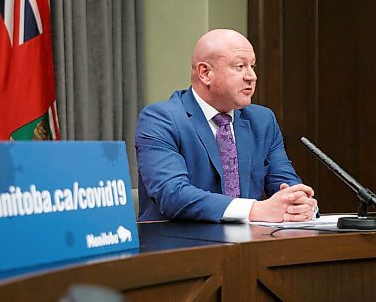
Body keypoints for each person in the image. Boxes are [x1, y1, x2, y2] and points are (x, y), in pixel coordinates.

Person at [135, 29, 317, 223]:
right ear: (205, 73)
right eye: (240, 66)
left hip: (251, 246)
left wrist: (299, 204)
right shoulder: (161, 119)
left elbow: (285, 182)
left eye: (252, 66)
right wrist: (254, 210)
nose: (252, 76)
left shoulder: (262, 120)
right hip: (180, 245)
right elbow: (172, 194)